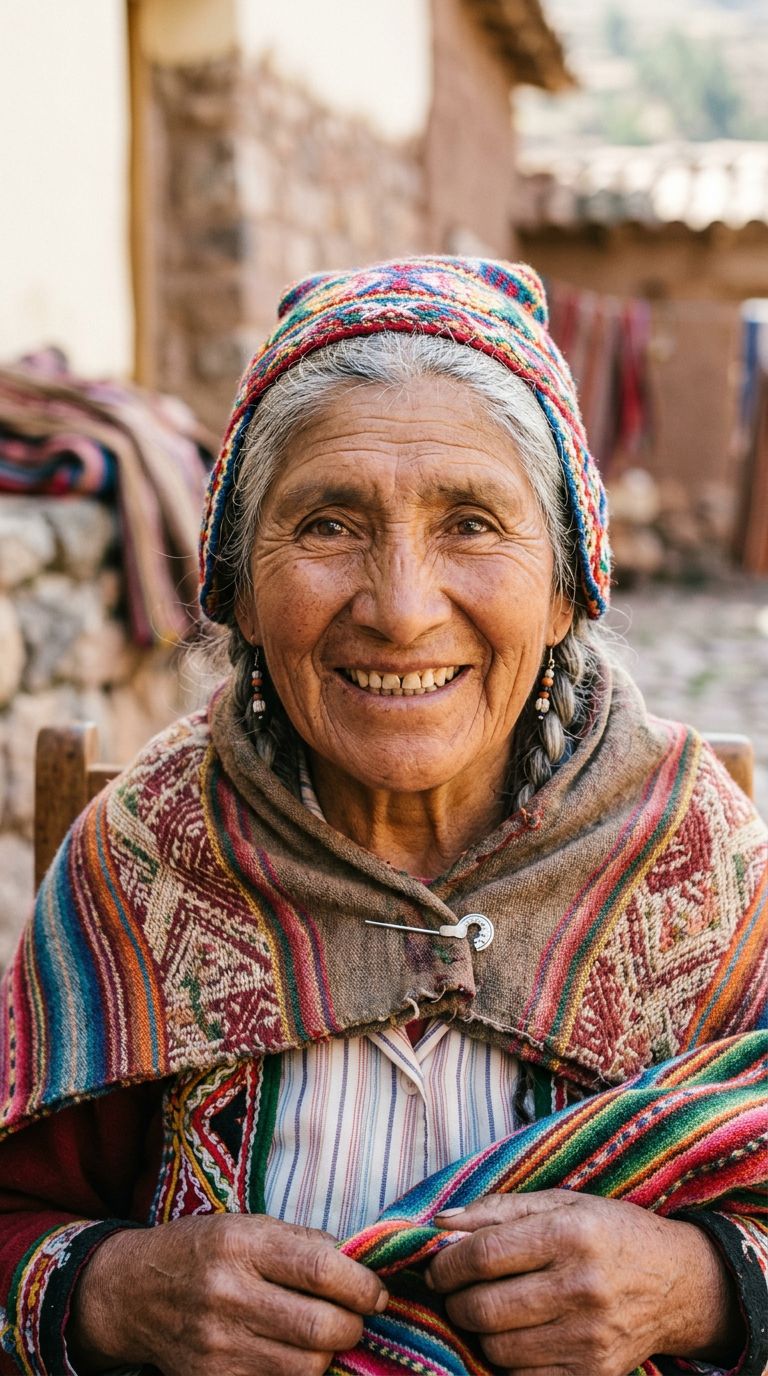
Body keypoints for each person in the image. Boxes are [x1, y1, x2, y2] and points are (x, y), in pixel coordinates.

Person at [0, 257, 766, 1376]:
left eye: (470, 522)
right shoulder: (144, 860)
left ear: (565, 588)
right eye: (327, 524)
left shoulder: (699, 861)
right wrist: (114, 1291)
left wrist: (699, 1287)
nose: (402, 608)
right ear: (239, 593)